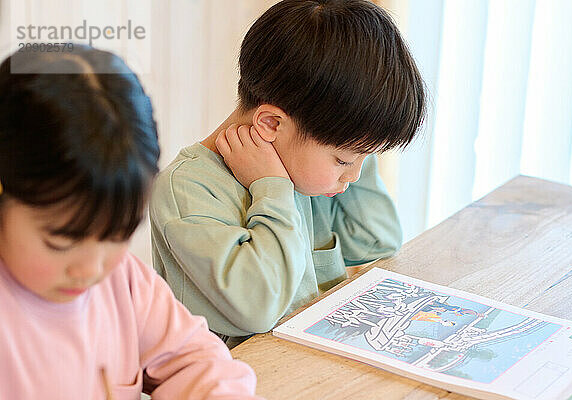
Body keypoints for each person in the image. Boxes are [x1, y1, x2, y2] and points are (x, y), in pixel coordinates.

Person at [150, 0, 426, 347]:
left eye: (365, 158)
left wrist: (360, 145)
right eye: (343, 160)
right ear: (270, 124)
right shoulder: (188, 189)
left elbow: (376, 244)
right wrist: (272, 188)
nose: (354, 175)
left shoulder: (304, 170)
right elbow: (259, 309)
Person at [0, 46, 259, 399]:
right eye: (60, 242)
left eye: (117, 236)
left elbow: (196, 360)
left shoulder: (123, 280)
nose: (91, 269)